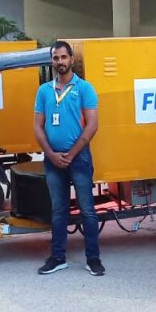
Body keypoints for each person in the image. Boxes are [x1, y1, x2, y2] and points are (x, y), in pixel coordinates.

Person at [33, 41, 104, 276]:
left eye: (64, 57)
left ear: (71, 59)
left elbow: (92, 126)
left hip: (79, 158)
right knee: (58, 211)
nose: (60, 62)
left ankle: (93, 259)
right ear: (51, 61)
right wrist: (52, 155)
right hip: (53, 161)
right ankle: (57, 257)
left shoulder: (84, 89)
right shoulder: (44, 91)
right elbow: (37, 127)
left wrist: (71, 155)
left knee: (88, 210)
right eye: (56, 58)